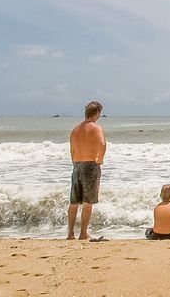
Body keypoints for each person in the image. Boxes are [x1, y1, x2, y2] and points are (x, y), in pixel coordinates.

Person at [67, 100, 106, 241]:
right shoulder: (96, 128)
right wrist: (100, 159)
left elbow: (72, 150)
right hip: (90, 165)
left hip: (77, 165)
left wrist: (74, 163)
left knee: (74, 202)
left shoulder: (76, 129)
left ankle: (70, 233)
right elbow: (102, 143)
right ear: (97, 113)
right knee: (88, 202)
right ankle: (83, 233)